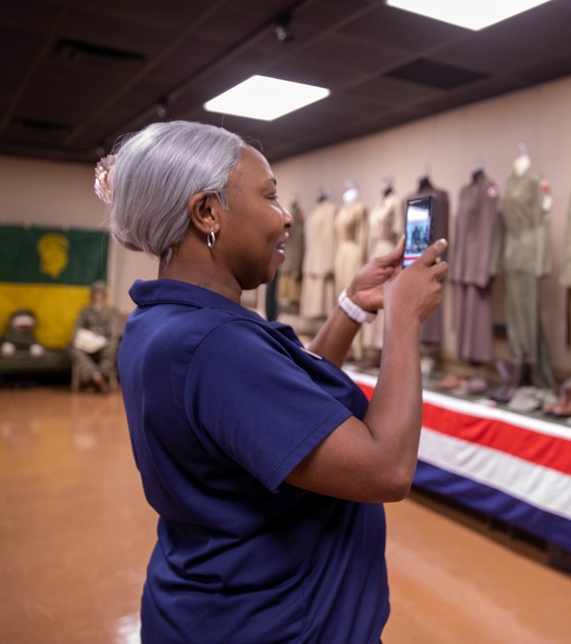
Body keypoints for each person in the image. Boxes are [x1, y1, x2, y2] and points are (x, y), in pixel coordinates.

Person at [94, 120, 448, 643]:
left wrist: (351, 306)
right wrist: (402, 320)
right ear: (207, 213)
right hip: (275, 621)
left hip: (211, 608)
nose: (285, 219)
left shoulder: (165, 321)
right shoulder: (216, 345)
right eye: (269, 196)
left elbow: (287, 417)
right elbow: (386, 469)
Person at [70, 280, 118, 393]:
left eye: (100, 293)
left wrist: (103, 337)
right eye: (95, 293)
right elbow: (77, 328)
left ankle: (100, 376)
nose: (97, 296)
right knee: (74, 349)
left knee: (112, 346)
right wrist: (81, 339)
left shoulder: (110, 311)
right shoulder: (85, 311)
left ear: (105, 295)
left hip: (104, 342)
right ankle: (97, 378)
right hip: (87, 343)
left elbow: (113, 331)